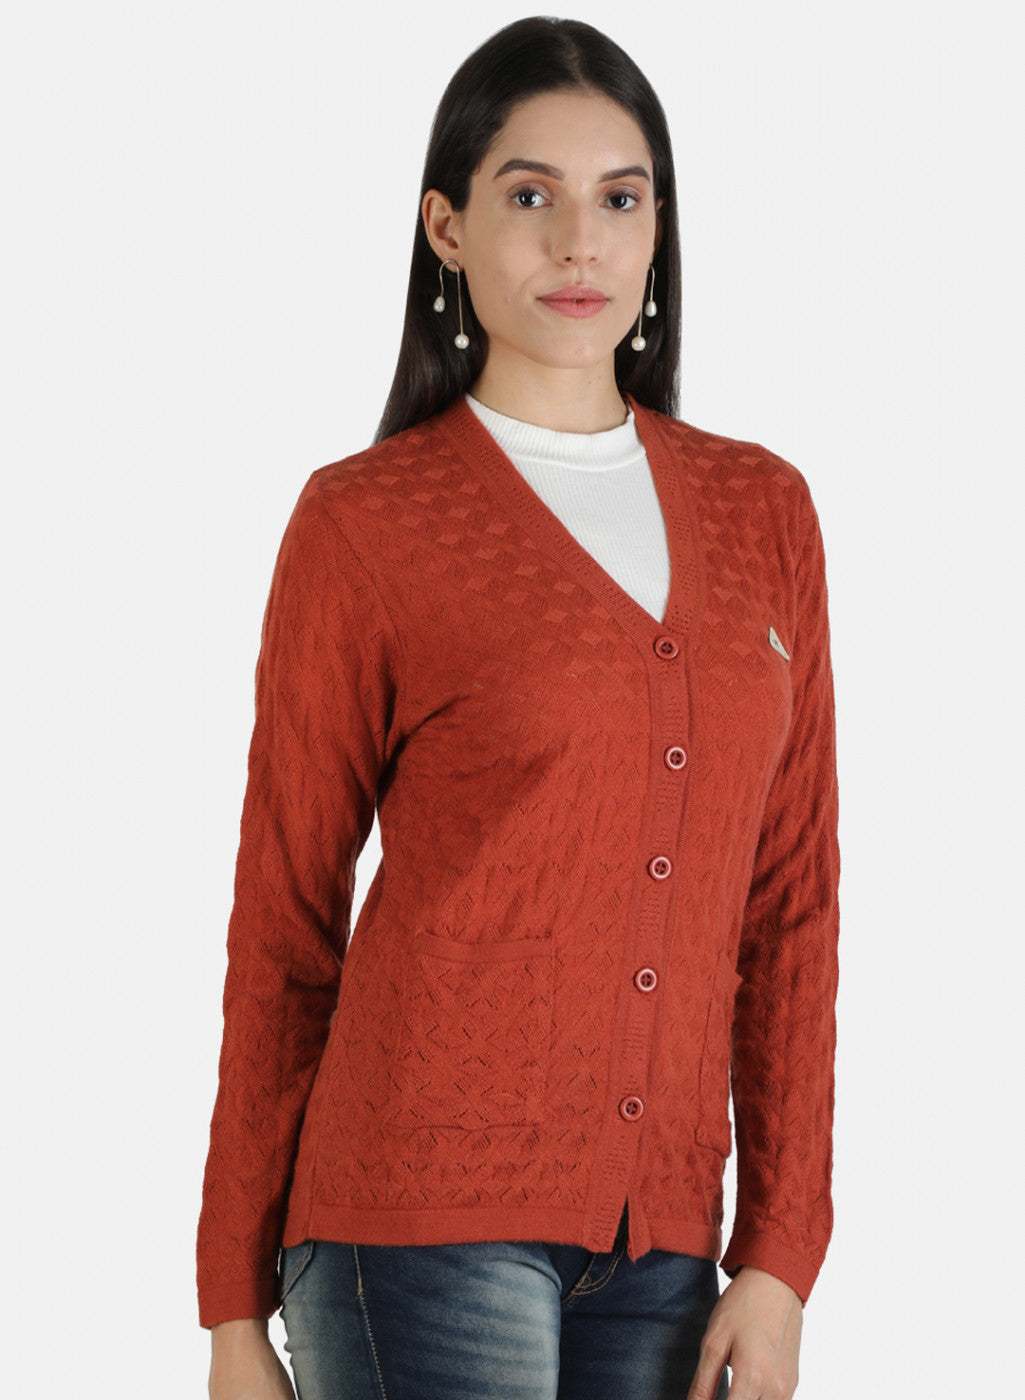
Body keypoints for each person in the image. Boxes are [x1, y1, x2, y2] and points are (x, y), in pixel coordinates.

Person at [198, 16, 840, 1400]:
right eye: (530, 196)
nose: (580, 243)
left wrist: (782, 1251)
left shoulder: (763, 511)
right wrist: (231, 1309)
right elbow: (285, 921)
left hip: (666, 1241)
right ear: (446, 226)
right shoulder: (367, 521)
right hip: (410, 1218)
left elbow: (790, 905)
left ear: (659, 228)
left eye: (621, 198)